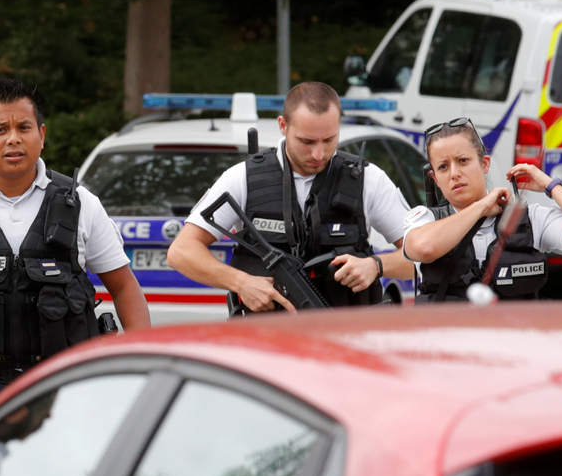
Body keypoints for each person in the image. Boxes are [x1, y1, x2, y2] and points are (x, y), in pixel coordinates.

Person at [0, 77, 150, 452]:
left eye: (24, 127)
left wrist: (139, 373)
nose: (13, 139)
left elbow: (125, 288)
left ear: (42, 134)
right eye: (0, 129)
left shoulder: (81, 204)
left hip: (66, 386)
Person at [166, 81, 417, 312]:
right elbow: (181, 252)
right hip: (265, 343)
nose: (319, 154)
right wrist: (242, 283)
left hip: (345, 338)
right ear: (283, 126)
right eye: (307, 141)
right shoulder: (243, 177)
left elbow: (424, 257)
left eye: (329, 140)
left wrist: (376, 266)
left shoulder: (367, 179)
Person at [402, 118, 562, 300]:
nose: (454, 173)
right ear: (435, 179)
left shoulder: (529, 219)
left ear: (485, 164)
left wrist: (551, 186)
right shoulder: (425, 219)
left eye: (463, 161)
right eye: (443, 167)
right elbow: (423, 248)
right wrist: (482, 207)